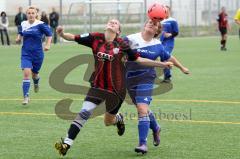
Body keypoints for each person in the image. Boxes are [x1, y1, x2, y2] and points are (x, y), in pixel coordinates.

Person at [54, 19, 173, 156]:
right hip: (97, 87)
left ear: (118, 31)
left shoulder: (122, 44)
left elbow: (139, 60)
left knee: (108, 121)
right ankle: (67, 144)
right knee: (84, 113)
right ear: (105, 26)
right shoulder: (95, 38)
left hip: (116, 91)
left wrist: (162, 65)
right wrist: (62, 34)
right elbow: (74, 37)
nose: (112, 23)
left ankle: (118, 119)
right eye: (110, 21)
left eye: (115, 23)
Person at [125, 19, 189, 154]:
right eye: (149, 22)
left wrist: (182, 67)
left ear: (156, 31)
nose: (151, 24)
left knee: (142, 109)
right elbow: (117, 49)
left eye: (155, 25)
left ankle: (142, 144)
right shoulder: (130, 38)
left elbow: (169, 57)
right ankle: (156, 128)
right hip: (130, 78)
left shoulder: (157, 45)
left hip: (146, 78)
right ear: (144, 25)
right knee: (142, 108)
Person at [15, 6, 52, 105]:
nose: (31, 15)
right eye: (29, 13)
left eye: (33, 13)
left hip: (38, 54)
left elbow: (49, 34)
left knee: (35, 74)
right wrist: (18, 38)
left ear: (36, 14)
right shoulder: (23, 24)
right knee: (26, 73)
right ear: (26, 14)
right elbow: (20, 33)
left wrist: (48, 45)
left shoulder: (40, 24)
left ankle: (36, 83)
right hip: (26, 53)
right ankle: (26, 96)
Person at [160, 6, 179, 82]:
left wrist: (170, 35)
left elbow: (176, 32)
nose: (165, 12)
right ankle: (166, 76)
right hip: (161, 42)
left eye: (167, 11)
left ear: (169, 11)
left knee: (166, 57)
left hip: (169, 42)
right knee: (162, 59)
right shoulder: (160, 21)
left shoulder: (173, 21)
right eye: (164, 11)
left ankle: (168, 77)